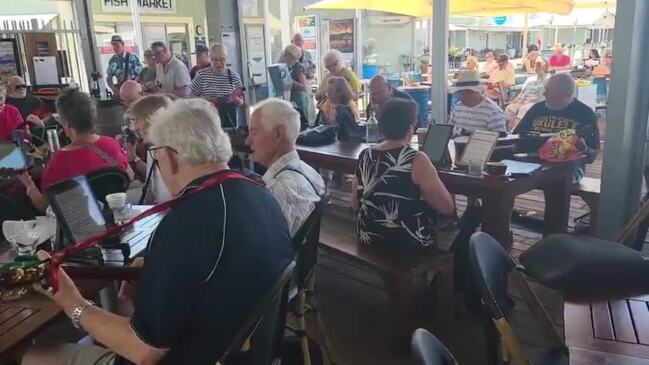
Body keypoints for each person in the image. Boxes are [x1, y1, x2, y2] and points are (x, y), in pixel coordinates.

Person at [23, 98, 294, 365]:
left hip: (194, 355)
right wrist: (162, 270)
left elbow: (144, 351)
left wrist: (73, 302)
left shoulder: (187, 223)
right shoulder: (260, 192)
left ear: (169, 156)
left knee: (31, 356)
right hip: (240, 348)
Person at [351, 98, 454, 249]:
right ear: (411, 127)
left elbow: (354, 204)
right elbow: (446, 207)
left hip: (367, 234)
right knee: (458, 227)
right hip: (407, 240)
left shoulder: (366, 154)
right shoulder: (417, 159)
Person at [17, 88, 131, 213]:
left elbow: (46, 207)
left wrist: (29, 185)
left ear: (66, 123)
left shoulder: (60, 159)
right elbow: (128, 176)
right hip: (115, 216)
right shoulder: (112, 144)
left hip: (81, 226)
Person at [245, 98, 325, 236]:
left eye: (254, 132)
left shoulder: (278, 191)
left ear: (278, 134)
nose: (247, 141)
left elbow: (260, 249)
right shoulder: (311, 174)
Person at [513, 73, 599, 182]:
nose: (544, 94)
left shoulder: (584, 113)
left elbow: (592, 156)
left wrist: (584, 148)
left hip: (568, 166)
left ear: (566, 94)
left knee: (559, 179)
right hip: (534, 160)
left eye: (548, 91)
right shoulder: (537, 109)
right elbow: (516, 136)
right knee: (502, 173)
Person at [127, 94, 173, 203]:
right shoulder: (153, 152)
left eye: (137, 120)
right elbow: (151, 190)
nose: (134, 127)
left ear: (151, 120)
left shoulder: (177, 153)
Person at [190, 44, 244, 129]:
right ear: (210, 59)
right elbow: (190, 97)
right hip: (206, 124)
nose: (218, 63)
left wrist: (236, 100)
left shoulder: (234, 77)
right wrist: (205, 101)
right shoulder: (202, 75)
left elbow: (241, 101)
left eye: (222, 59)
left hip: (228, 125)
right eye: (215, 60)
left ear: (226, 59)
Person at [448, 70, 506, 135]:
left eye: (464, 93)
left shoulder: (493, 111)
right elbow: (450, 129)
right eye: (459, 93)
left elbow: (500, 139)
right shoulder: (458, 107)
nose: (460, 96)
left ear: (474, 92)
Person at [505, 60, 550, 131]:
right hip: (523, 100)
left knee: (523, 109)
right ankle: (508, 131)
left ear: (545, 68)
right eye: (536, 66)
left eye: (539, 66)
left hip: (536, 102)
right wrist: (516, 100)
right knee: (510, 108)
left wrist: (527, 102)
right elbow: (522, 91)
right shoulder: (530, 79)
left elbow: (543, 96)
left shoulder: (548, 79)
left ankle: (515, 130)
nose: (536, 68)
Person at [321, 76, 360, 141]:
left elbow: (353, 128)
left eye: (331, 91)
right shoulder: (327, 104)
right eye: (327, 92)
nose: (328, 95)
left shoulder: (350, 106)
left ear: (340, 92)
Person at [283, 44, 309, 126]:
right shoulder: (289, 67)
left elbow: (304, 86)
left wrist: (290, 81)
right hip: (292, 97)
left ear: (292, 55)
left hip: (299, 98)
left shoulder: (298, 67)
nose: (284, 57)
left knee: (301, 120)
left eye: (286, 54)